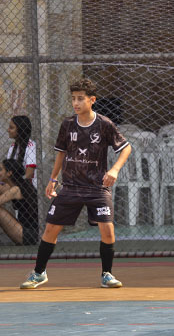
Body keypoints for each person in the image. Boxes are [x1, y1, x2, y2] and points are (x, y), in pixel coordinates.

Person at [20, 78, 131, 290]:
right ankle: (39, 273)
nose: (76, 103)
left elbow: (126, 148)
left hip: (97, 188)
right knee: (50, 229)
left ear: (92, 100)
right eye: (73, 99)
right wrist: (53, 179)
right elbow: (61, 153)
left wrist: (114, 169)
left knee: (108, 230)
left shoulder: (104, 124)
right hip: (70, 187)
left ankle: (107, 274)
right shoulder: (68, 124)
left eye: (80, 99)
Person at [0, 159, 39, 245]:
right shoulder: (15, 185)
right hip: (22, 228)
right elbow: (2, 188)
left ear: (9, 173)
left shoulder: (15, 190)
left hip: (29, 235)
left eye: (1, 170)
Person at [7, 115, 37, 188]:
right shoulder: (12, 146)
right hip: (14, 185)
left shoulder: (31, 146)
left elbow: (29, 174)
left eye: (11, 128)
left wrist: (15, 183)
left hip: (28, 187)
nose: (8, 130)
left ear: (20, 130)